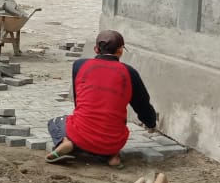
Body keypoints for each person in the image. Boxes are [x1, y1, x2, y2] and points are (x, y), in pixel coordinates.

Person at [45, 29, 157, 169]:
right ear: (120, 50)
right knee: (112, 131)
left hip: (81, 134)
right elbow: (142, 106)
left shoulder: (79, 65)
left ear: (96, 49)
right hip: (114, 140)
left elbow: (79, 101)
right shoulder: (129, 72)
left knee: (55, 122)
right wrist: (151, 123)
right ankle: (112, 155)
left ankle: (67, 142)